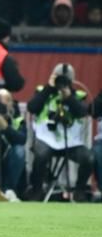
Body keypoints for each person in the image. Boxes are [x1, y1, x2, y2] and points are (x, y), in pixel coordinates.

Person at [27, 63, 93, 202]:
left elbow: (82, 112)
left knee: (89, 158)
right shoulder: (43, 91)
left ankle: (79, 190)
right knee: (41, 155)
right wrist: (48, 89)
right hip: (46, 138)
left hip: (71, 141)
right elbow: (32, 107)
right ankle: (37, 189)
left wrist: (69, 97)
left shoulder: (78, 96)